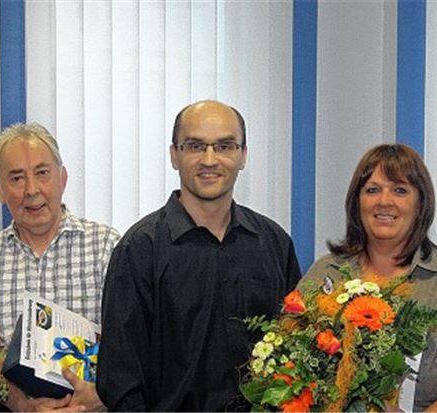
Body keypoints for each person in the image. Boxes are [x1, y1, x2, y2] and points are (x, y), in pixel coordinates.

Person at [96, 100, 303, 411]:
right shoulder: (139, 250)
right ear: (174, 155)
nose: (210, 159)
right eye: (195, 146)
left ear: (243, 155)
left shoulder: (274, 243)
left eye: (224, 146)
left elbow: (296, 354)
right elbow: (121, 380)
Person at [302, 144, 437, 411]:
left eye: (400, 190)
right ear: (357, 202)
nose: (384, 201)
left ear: (420, 203)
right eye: (372, 190)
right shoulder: (325, 272)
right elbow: (292, 358)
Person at [0, 123, 119, 412]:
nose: (32, 190)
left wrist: (101, 396)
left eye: (42, 173)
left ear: (63, 178)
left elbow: (132, 345)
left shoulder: (107, 246)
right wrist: (24, 406)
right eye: (17, 178)